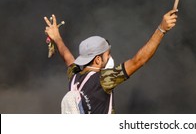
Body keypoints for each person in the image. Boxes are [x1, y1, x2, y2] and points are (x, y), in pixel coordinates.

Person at [44, 9, 178, 114]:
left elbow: (67, 57)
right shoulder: (103, 80)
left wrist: (57, 37)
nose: (110, 57)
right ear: (97, 60)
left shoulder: (74, 75)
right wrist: (161, 29)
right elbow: (138, 61)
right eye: (107, 55)